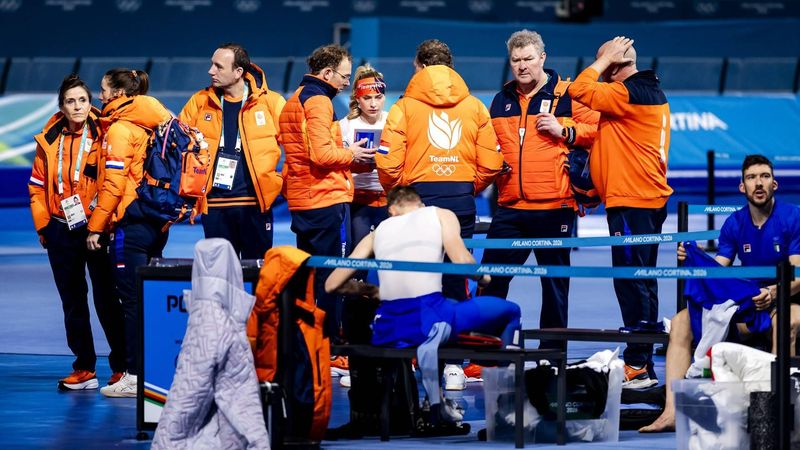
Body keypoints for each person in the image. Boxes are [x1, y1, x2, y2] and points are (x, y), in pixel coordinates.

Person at [325, 186, 521, 425]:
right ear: (419, 204)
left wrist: (372, 291)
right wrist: (484, 277)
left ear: (391, 210)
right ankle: (504, 410)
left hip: (389, 328)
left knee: (447, 309)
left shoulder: (378, 231)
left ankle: (435, 398)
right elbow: (462, 262)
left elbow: (332, 285)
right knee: (511, 310)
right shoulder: (440, 214)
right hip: (429, 320)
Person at [640, 154, 800, 433]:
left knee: (789, 322)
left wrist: (774, 293)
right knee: (680, 323)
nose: (758, 183)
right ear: (742, 187)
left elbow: (797, 273)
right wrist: (694, 257)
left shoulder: (793, 217)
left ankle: (773, 411)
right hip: (748, 302)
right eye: (751, 178)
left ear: (775, 184)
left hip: (786, 298)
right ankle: (672, 412)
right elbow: (718, 272)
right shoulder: (734, 223)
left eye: (764, 177)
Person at [480, 29, 599, 351]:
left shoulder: (568, 94)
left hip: (555, 207)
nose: (522, 66)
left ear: (542, 58)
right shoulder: (501, 99)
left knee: (555, 286)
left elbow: (597, 130)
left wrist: (565, 130)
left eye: (528, 59)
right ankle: (482, 349)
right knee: (491, 279)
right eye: (516, 60)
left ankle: (552, 355)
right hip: (509, 208)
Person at [568, 36, 672, 388]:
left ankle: (639, 365)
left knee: (631, 282)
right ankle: (643, 361)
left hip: (633, 201)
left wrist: (602, 59)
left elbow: (580, 89)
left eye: (606, 64)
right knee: (640, 280)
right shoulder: (640, 93)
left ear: (616, 64)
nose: (601, 72)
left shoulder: (629, 93)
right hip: (638, 200)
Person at [377, 39, 503, 302]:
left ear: (420, 66)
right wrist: (468, 186)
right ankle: (455, 338)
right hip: (461, 199)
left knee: (419, 277)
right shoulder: (476, 106)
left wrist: (405, 194)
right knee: (457, 275)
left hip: (418, 202)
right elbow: (492, 163)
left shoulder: (403, 107)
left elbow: (388, 164)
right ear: (451, 66)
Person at [28, 75, 126, 391]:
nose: (77, 106)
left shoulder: (106, 133)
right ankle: (84, 368)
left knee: (108, 300)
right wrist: (44, 227)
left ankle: (122, 368)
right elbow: (38, 186)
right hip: (60, 229)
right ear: (62, 106)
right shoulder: (49, 138)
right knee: (72, 301)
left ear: (90, 103)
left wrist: (101, 223)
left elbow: (115, 181)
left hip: (96, 228)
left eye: (82, 100)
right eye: (70, 101)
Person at [86, 68, 172, 397]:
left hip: (130, 224)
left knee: (132, 301)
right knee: (148, 298)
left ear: (119, 94)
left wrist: (96, 227)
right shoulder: (152, 122)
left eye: (104, 90)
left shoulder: (121, 129)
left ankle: (136, 374)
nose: (99, 96)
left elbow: (113, 183)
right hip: (154, 221)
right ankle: (154, 369)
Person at [280, 44, 374, 342]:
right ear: (327, 73)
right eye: (344, 76)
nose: (347, 82)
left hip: (304, 200)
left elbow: (306, 156)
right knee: (334, 275)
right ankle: (331, 343)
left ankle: (311, 341)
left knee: (310, 277)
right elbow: (322, 155)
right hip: (325, 199)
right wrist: (352, 153)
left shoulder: (294, 99)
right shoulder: (318, 101)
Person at [179, 43, 285, 259]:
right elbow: (180, 148)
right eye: (211, 65)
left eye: (218, 66)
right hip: (214, 207)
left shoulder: (271, 102)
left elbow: (294, 149)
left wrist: (279, 183)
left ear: (238, 72)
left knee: (257, 279)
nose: (211, 71)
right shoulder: (199, 102)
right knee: (218, 279)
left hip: (256, 206)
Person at [335, 65, 390, 386]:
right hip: (357, 203)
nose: (373, 102)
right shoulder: (344, 126)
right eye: (367, 96)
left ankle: (389, 335)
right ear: (358, 98)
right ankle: (352, 345)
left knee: (390, 270)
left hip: (387, 203)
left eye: (379, 95)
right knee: (357, 270)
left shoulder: (393, 122)